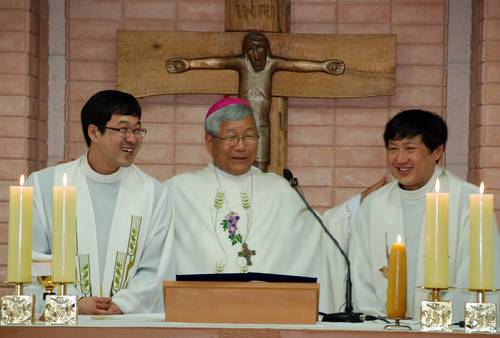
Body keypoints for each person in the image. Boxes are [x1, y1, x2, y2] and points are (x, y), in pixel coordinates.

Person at [163, 96, 379, 314]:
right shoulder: (179, 191)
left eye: (249, 136)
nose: (241, 146)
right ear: (209, 141)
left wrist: (360, 205)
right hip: (200, 311)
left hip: (267, 312)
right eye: (231, 137)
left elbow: (320, 234)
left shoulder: (278, 188)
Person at [28, 90, 174, 314]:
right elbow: (34, 258)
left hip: (127, 323)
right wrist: (73, 302)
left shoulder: (154, 193)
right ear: (94, 132)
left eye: (137, 130)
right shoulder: (43, 185)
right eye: (123, 129)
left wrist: (122, 304)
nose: (133, 138)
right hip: (66, 325)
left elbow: (155, 267)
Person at [349, 109, 500, 318]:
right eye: (393, 149)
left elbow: (475, 272)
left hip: (448, 329)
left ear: (437, 151)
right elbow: (360, 272)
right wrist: (376, 322)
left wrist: (439, 323)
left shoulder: (469, 201)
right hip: (383, 327)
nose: (400, 159)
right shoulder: (374, 204)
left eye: (410, 148)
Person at [166, 31, 345, 171]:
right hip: (241, 126)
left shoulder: (271, 64)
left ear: (266, 49)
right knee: (239, 164)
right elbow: (216, 62)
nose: (255, 54)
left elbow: (296, 64)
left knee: (260, 168)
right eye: (250, 49)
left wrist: (323, 66)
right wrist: (189, 64)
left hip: (262, 126)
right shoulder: (241, 63)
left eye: (259, 48)